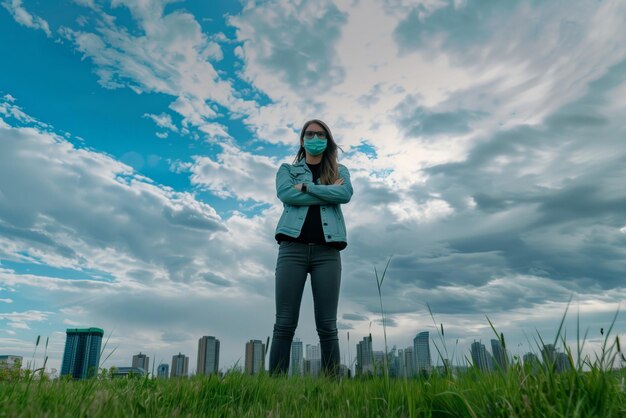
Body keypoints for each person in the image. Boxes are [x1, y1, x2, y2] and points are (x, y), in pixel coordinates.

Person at [269, 119, 353, 377]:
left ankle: (331, 390)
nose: (315, 137)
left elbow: (345, 194)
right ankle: (275, 387)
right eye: (310, 133)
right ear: (302, 139)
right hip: (292, 249)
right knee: (284, 323)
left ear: (328, 140)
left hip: (327, 253)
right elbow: (286, 194)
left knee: (328, 325)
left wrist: (308, 187)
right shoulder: (287, 170)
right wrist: (326, 191)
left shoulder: (341, 171)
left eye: (320, 134)